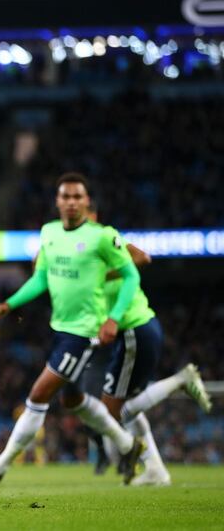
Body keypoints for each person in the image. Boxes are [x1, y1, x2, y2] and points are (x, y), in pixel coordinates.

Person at [0, 172, 145, 487]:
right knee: (72, 400)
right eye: (66, 196)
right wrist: (9, 304)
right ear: (57, 201)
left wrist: (113, 318)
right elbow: (41, 278)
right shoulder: (49, 233)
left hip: (85, 332)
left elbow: (131, 275)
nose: (71, 202)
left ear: (87, 201)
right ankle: (128, 446)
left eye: (78, 196)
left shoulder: (104, 236)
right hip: (61, 328)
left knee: (38, 394)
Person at [85, 203, 211, 486]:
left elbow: (143, 258)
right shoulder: (83, 254)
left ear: (93, 215)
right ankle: (155, 469)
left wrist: (103, 275)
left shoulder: (106, 240)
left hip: (135, 330)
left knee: (114, 412)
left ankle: (180, 380)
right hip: (135, 333)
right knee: (127, 409)